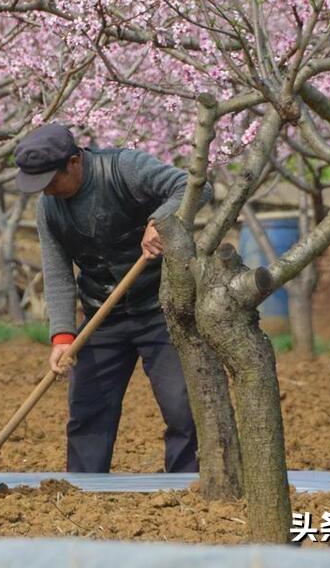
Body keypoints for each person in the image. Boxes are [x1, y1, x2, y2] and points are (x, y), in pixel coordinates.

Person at [14, 122, 208, 474]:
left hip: (161, 310)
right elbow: (57, 273)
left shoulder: (124, 169)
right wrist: (62, 336)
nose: (48, 192)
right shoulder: (49, 209)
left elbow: (193, 187)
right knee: (88, 411)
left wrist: (161, 220)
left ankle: (188, 486)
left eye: (51, 181)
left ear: (74, 162)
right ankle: (84, 492)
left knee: (183, 407)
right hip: (103, 315)